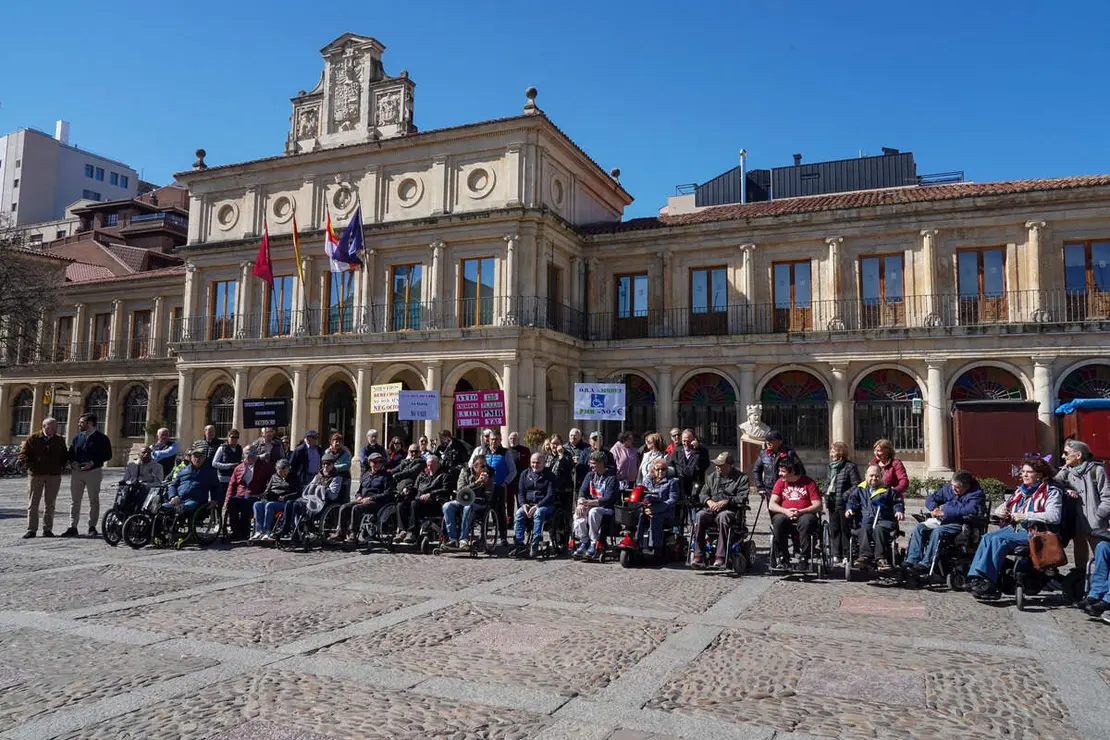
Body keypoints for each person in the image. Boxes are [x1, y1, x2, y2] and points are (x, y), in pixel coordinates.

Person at [968, 457, 1065, 600]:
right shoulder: (1021, 491)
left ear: (1039, 474)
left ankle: (988, 581)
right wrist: (1000, 511)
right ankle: (976, 578)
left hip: (1037, 532)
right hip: (1015, 529)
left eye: (1029, 472)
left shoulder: (1051, 491)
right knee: (987, 537)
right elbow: (1004, 506)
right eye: (1023, 471)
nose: (1024, 475)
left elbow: (1054, 516)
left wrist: (1026, 516)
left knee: (998, 539)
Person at [902, 470, 984, 574]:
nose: (953, 489)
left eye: (957, 487)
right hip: (942, 519)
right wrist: (934, 508)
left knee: (938, 531)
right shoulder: (950, 489)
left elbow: (969, 510)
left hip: (960, 523)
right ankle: (912, 559)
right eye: (952, 485)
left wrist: (946, 511)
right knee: (920, 527)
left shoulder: (976, 494)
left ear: (966, 486)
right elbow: (931, 498)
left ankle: (925, 564)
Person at [1056, 439, 1110, 571]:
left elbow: (1107, 497)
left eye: (1066, 453)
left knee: (1100, 552)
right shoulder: (1066, 470)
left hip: (1095, 521)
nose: (1063, 456)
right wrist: (1066, 489)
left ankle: (1102, 582)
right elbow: (1054, 484)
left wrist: (1098, 516)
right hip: (1076, 519)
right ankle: (1081, 580)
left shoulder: (1097, 470)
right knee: (1079, 549)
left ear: (1078, 455)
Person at [691, 451, 749, 568]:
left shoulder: (741, 478)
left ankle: (720, 557)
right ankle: (698, 556)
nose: (717, 467)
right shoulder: (712, 477)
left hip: (730, 510)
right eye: (716, 465)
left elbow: (742, 497)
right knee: (699, 516)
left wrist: (727, 501)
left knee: (723, 517)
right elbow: (703, 494)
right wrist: (709, 501)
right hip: (712, 508)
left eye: (720, 465)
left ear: (729, 465)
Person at [845, 464, 905, 569]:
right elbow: (852, 501)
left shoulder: (888, 490)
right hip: (865, 520)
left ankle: (881, 559)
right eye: (871, 475)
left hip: (884, 520)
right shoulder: (860, 489)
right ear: (866, 476)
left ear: (881, 476)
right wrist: (850, 509)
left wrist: (898, 511)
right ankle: (864, 557)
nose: (874, 478)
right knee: (864, 529)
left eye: (877, 476)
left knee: (878, 529)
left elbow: (897, 503)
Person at [63, 413, 113, 537]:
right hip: (77, 473)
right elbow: (71, 453)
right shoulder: (77, 437)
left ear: (90, 423)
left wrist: (92, 463)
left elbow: (107, 455)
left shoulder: (102, 438)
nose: (78, 424)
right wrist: (73, 463)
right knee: (75, 501)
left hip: (93, 472)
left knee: (93, 500)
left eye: (81, 422)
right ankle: (72, 526)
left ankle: (92, 526)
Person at [19, 417, 69, 539]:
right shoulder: (33, 438)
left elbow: (64, 455)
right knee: (33, 503)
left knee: (50, 503)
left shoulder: (59, 440)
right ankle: (32, 529)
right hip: (36, 475)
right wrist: (30, 465)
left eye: (54, 427)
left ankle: (47, 529)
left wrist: (62, 466)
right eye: (50, 426)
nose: (53, 429)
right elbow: (23, 454)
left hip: (54, 475)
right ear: (44, 426)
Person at [769, 458, 822, 569]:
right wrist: (786, 511)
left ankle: (804, 557)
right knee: (778, 521)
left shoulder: (809, 483)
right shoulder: (780, 483)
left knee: (806, 521)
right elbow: (772, 504)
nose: (779, 474)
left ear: (792, 471)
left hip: (805, 514)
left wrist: (801, 512)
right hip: (785, 514)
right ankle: (783, 557)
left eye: (783, 471)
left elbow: (818, 505)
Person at [331, 452, 394, 544]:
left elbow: (388, 493)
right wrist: (359, 496)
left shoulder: (386, 476)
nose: (378, 464)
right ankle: (341, 533)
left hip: (377, 502)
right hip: (362, 500)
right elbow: (359, 491)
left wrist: (371, 498)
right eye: (375, 462)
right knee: (344, 507)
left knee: (357, 508)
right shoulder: (365, 475)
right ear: (370, 463)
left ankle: (353, 533)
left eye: (380, 462)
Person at [278, 453, 343, 539]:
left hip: (322, 501)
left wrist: (323, 489)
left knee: (296, 505)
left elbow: (333, 495)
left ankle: (296, 530)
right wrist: (312, 488)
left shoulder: (336, 477)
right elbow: (310, 485)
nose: (326, 466)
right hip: (310, 498)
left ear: (333, 464)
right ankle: (286, 528)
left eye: (328, 464)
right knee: (289, 503)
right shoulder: (319, 475)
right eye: (324, 464)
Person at [573, 450, 620, 559]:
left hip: (606, 508)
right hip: (589, 505)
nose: (591, 466)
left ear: (601, 463)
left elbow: (608, 499)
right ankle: (584, 541)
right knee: (578, 514)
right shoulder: (590, 475)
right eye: (590, 463)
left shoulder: (611, 478)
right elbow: (582, 491)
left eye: (593, 463)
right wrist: (580, 502)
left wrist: (589, 503)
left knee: (593, 512)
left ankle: (594, 542)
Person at [509, 453, 557, 558]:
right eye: (533, 462)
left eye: (538, 463)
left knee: (538, 513)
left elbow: (550, 495)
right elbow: (520, 492)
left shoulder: (550, 476)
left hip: (545, 505)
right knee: (519, 513)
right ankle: (519, 543)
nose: (535, 465)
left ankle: (535, 543)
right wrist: (523, 504)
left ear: (544, 463)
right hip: (528, 504)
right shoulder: (524, 474)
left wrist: (538, 506)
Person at [394, 456, 450, 544]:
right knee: (400, 505)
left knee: (414, 504)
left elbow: (446, 490)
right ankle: (402, 531)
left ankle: (412, 532)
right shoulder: (423, 474)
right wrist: (408, 490)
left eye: (432, 465)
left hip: (434, 503)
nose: (429, 467)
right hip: (418, 500)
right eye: (428, 465)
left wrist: (430, 494)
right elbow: (415, 488)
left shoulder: (444, 475)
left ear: (438, 464)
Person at [224, 444, 273, 540]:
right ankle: (235, 531)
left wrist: (265, 493)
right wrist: (227, 499)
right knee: (231, 503)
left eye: (253, 452)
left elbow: (273, 480)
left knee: (247, 502)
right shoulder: (238, 468)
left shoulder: (264, 466)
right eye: (248, 453)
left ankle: (244, 532)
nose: (250, 455)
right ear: (243, 454)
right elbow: (232, 485)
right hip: (240, 494)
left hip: (255, 495)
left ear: (256, 454)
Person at [443, 457, 494, 548]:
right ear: (475, 466)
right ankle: (453, 538)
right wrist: (476, 483)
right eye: (483, 466)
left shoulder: (488, 475)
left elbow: (488, 495)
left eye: (486, 465)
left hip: (479, 502)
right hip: (463, 499)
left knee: (468, 507)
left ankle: (464, 539)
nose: (485, 468)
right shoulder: (465, 472)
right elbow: (460, 490)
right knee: (447, 506)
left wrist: (485, 484)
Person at [633, 457, 680, 555]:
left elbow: (672, 500)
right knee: (640, 515)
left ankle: (655, 547)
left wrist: (656, 509)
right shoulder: (647, 480)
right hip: (648, 508)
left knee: (655, 518)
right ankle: (637, 542)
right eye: (657, 469)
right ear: (652, 470)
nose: (660, 471)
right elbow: (642, 495)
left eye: (663, 469)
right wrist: (646, 507)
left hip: (665, 511)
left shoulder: (672, 482)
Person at [825, 442, 861, 566]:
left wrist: (846, 495)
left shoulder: (850, 467)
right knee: (834, 529)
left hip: (844, 503)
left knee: (845, 529)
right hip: (832, 502)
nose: (831, 454)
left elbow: (856, 485)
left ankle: (846, 553)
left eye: (833, 451)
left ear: (840, 452)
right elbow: (829, 482)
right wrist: (825, 492)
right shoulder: (831, 466)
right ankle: (836, 553)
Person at [166, 443, 221, 516]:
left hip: (195, 500)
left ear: (204, 458)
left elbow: (216, 487)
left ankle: (178, 509)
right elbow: (173, 485)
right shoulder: (182, 470)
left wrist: (214, 500)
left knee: (184, 507)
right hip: (179, 499)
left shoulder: (210, 472)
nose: (197, 459)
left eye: (200, 456)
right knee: (163, 508)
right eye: (195, 456)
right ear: (191, 458)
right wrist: (172, 496)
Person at [252, 459, 297, 542]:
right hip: (272, 499)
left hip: (285, 502)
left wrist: (286, 497)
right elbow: (267, 491)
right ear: (277, 470)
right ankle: (258, 531)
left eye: (285, 472)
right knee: (257, 504)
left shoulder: (293, 477)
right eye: (281, 472)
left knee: (270, 505)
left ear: (288, 470)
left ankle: (267, 531)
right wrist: (266, 496)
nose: (283, 474)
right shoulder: (274, 477)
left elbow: (298, 492)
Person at [485, 431, 517, 547]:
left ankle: (503, 537)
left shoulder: (505, 452)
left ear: (500, 440)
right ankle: (484, 536)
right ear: (489, 440)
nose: (494, 441)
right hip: (485, 487)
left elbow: (513, 470)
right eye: (492, 439)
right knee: (485, 511)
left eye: (497, 439)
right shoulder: (484, 451)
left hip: (499, 486)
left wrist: (506, 482)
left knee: (500, 512)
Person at [752, 430, 803, 498]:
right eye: (767, 440)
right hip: (770, 489)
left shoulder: (789, 453)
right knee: (772, 508)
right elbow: (756, 471)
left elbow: (800, 470)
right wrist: (760, 487)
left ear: (779, 441)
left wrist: (797, 485)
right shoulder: (763, 453)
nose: (768, 442)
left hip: (787, 488)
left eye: (771, 440)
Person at [669, 428, 709, 502]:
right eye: (684, 441)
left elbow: (700, 467)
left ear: (694, 440)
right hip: (680, 487)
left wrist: (696, 451)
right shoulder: (677, 450)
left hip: (695, 487)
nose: (686, 443)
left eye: (688, 441)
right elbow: (671, 466)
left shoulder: (702, 451)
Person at [212, 429, 244, 495]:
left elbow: (243, 460)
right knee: (222, 501)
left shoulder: (239, 448)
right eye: (232, 437)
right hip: (223, 480)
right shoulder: (222, 448)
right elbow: (214, 463)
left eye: (236, 437)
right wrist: (230, 466)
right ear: (228, 437)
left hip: (236, 479)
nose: (234, 439)